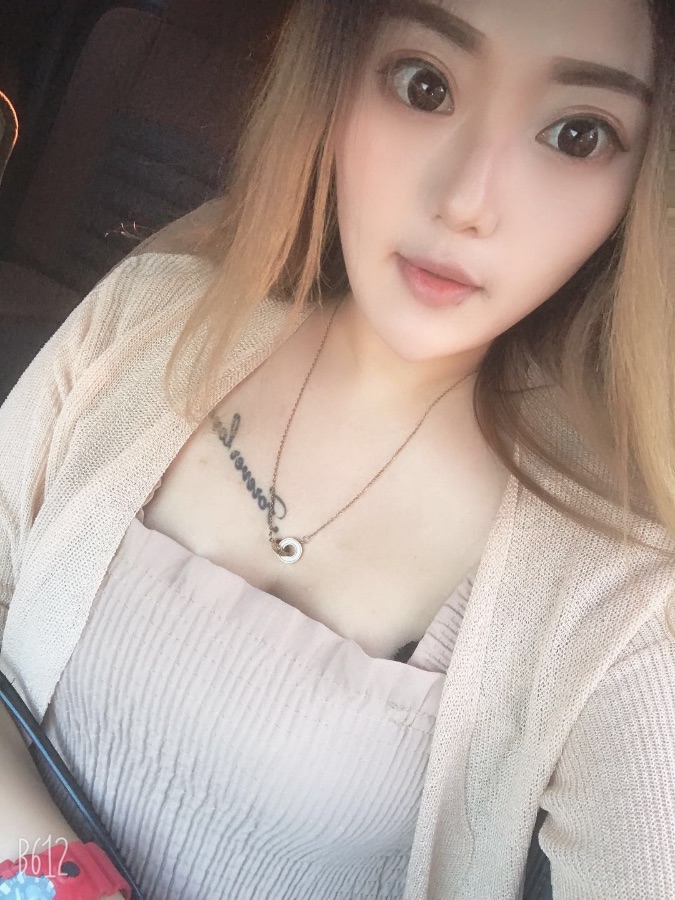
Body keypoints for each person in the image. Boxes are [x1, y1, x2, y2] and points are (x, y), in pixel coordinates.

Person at [0, 0, 673, 897]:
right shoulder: (151, 313)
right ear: (335, 79)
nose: (465, 201)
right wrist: (52, 876)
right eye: (424, 85)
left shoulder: (617, 585)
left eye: (577, 135)